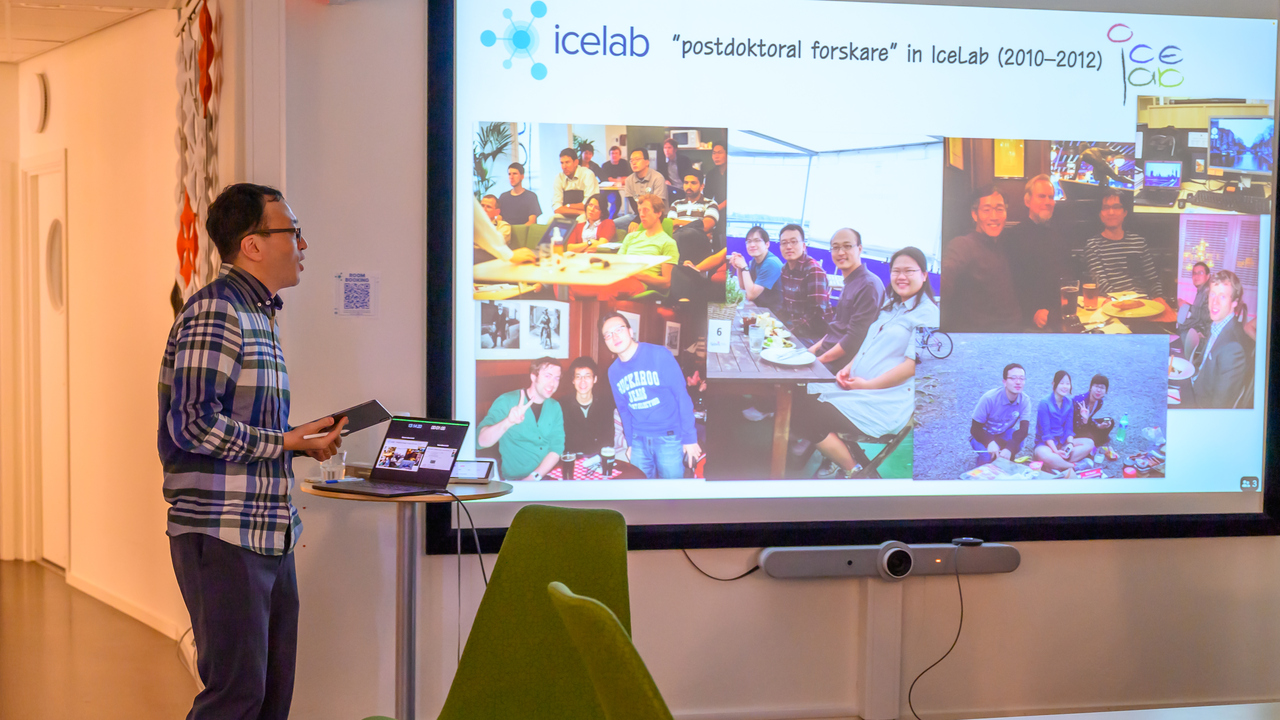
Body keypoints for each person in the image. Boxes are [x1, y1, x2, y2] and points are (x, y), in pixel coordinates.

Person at [160, 183, 346, 720]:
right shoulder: (217, 313)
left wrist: (299, 444)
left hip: (268, 531)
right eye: (292, 231)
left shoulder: (260, 315)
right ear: (254, 245)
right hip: (223, 534)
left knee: (268, 699)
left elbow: (238, 425)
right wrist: (285, 441)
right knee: (234, 698)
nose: (303, 244)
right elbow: (192, 425)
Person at [791, 247, 938, 478]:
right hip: (856, 388)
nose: (901, 276)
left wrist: (866, 386)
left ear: (924, 274)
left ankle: (854, 471)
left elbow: (913, 367)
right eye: (896, 270)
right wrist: (847, 369)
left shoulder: (928, 315)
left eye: (909, 271)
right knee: (796, 395)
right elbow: (868, 344)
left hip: (881, 402)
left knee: (804, 412)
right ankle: (834, 458)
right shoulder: (891, 306)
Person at [601, 312, 700, 478]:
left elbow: (681, 396)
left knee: (671, 497)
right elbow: (624, 411)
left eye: (619, 329)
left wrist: (690, 438)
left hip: (669, 438)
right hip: (639, 441)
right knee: (640, 495)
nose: (614, 336)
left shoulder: (659, 354)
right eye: (608, 335)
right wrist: (631, 444)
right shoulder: (613, 372)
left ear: (631, 332)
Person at [940, 185, 1022, 332]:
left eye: (999, 209)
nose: (994, 216)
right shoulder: (964, 244)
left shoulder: (1004, 243)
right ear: (974, 214)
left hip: (1014, 333)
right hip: (985, 340)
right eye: (986, 210)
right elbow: (945, 276)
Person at [477, 358, 565, 481]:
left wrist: (534, 478)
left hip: (544, 477)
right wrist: (508, 421)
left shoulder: (554, 406)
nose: (552, 383)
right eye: (547, 376)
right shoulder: (507, 401)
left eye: (557, 378)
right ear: (533, 377)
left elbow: (557, 449)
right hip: (514, 481)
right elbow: (480, 441)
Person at [808, 228, 884, 368]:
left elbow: (855, 339)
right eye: (835, 248)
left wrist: (818, 361)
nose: (841, 252)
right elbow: (836, 328)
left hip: (839, 364)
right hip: (826, 354)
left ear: (859, 249)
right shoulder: (851, 282)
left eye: (847, 246)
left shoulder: (868, 285)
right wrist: (810, 352)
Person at [1004, 174, 1072, 330]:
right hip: (1034, 318)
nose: (1048, 202)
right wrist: (1032, 312)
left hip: (1062, 311)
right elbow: (1012, 284)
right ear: (1027, 201)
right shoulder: (1014, 236)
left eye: (1050, 197)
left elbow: (1068, 273)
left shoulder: (1061, 232)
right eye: (1042, 197)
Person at [1185, 270, 1255, 409]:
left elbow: (1219, 406)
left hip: (1198, 406)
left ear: (1234, 302)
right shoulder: (1218, 324)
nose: (1214, 302)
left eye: (1222, 296)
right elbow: (1204, 362)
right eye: (1212, 294)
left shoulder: (1233, 349)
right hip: (1195, 385)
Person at [1083, 190, 1163, 298]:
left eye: (1116, 207)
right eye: (1106, 208)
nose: (1111, 212)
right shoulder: (1093, 245)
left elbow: (1153, 280)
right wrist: (1122, 301)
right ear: (1100, 214)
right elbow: (1101, 284)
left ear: (1125, 212)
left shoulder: (1138, 242)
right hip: (1112, 303)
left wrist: (1159, 298)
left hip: (1143, 303)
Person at [777, 223, 833, 343]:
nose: (788, 246)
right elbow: (785, 307)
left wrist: (787, 332)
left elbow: (817, 315)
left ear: (803, 246)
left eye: (793, 242)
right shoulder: (785, 269)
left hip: (814, 336)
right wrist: (774, 325)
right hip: (794, 330)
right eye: (784, 243)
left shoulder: (813, 270)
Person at [617, 194, 680, 295]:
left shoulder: (668, 242)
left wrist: (637, 275)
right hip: (619, 277)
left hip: (637, 283)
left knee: (600, 290)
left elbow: (667, 282)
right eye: (640, 211)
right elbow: (617, 263)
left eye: (645, 210)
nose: (641, 215)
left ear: (658, 213)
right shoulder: (631, 237)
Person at [970, 363, 1032, 464]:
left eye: (1022, 378)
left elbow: (1023, 430)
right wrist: (989, 442)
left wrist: (1009, 448)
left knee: (1019, 444)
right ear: (1004, 382)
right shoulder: (989, 398)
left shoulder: (1025, 400)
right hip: (982, 433)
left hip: (1002, 432)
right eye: (1013, 378)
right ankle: (982, 462)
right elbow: (974, 429)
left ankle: (1003, 456)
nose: (1018, 382)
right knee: (987, 457)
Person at [1033, 371, 1092, 473]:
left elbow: (1069, 429)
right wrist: (1055, 451)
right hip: (1046, 445)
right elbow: (1046, 434)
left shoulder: (1069, 402)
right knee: (1041, 454)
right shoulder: (1044, 403)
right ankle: (1073, 466)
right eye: (1062, 383)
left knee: (1089, 443)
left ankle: (1057, 465)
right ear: (1054, 384)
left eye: (1067, 384)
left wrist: (1070, 444)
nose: (1065, 386)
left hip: (1062, 442)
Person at [561, 357, 616, 457]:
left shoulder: (605, 404)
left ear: (595, 379)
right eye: (578, 377)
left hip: (598, 459)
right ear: (573, 380)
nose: (583, 381)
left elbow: (609, 439)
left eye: (587, 376)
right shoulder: (562, 405)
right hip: (571, 458)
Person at [668, 170, 720, 266]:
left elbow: (706, 226)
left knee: (688, 233)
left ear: (701, 186)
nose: (689, 186)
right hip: (679, 247)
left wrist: (678, 222)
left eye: (693, 183)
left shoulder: (710, 204)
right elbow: (670, 227)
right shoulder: (676, 204)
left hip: (700, 248)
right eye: (686, 183)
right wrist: (697, 224)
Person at [728, 225, 783, 308]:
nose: (752, 245)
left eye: (757, 241)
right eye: (749, 241)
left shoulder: (771, 263)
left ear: (767, 244)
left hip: (774, 314)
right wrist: (739, 266)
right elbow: (744, 287)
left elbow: (750, 295)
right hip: (761, 308)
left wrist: (744, 267)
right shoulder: (755, 261)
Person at [473, 196, 536, 265]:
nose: (483, 209)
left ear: (497, 212)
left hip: (489, 257)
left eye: (488, 207)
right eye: (482, 206)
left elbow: (497, 244)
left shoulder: (503, 226)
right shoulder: (471, 225)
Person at [616, 148, 666, 227]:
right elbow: (634, 207)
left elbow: (657, 207)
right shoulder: (629, 180)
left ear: (647, 162)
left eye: (637, 159)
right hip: (637, 215)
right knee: (613, 224)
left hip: (655, 216)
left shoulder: (657, 178)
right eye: (631, 160)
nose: (634, 163)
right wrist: (637, 219)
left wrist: (637, 221)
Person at [551, 147, 599, 222]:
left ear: (576, 162)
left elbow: (588, 205)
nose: (564, 166)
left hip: (584, 215)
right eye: (562, 163)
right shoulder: (559, 177)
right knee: (552, 219)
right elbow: (557, 208)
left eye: (567, 162)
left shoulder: (587, 174)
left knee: (581, 219)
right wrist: (578, 211)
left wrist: (568, 206)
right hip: (570, 214)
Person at [1177, 261, 1212, 357]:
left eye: (1200, 273)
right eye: (1194, 273)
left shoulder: (1207, 292)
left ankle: (1189, 363)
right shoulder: (1203, 290)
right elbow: (1199, 310)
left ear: (1208, 276)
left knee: (1182, 332)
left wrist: (1188, 308)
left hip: (1206, 337)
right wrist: (1186, 304)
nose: (1196, 276)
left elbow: (1203, 316)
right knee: (1181, 325)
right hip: (1203, 329)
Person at [1072, 374, 1114, 450]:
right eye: (1096, 386)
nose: (1099, 390)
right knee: (1090, 438)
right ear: (1091, 387)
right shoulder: (1080, 402)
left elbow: (1089, 419)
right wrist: (1087, 422)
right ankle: (1093, 442)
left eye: (1102, 388)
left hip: (1086, 423)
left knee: (1110, 422)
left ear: (1106, 391)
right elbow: (1077, 425)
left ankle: (1096, 441)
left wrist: (1099, 426)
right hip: (1075, 428)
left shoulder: (1099, 402)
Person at [704, 142, 728, 213]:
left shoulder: (734, 172)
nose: (716, 156)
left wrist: (716, 209)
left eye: (720, 153)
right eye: (714, 153)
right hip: (717, 210)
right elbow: (707, 196)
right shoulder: (711, 174)